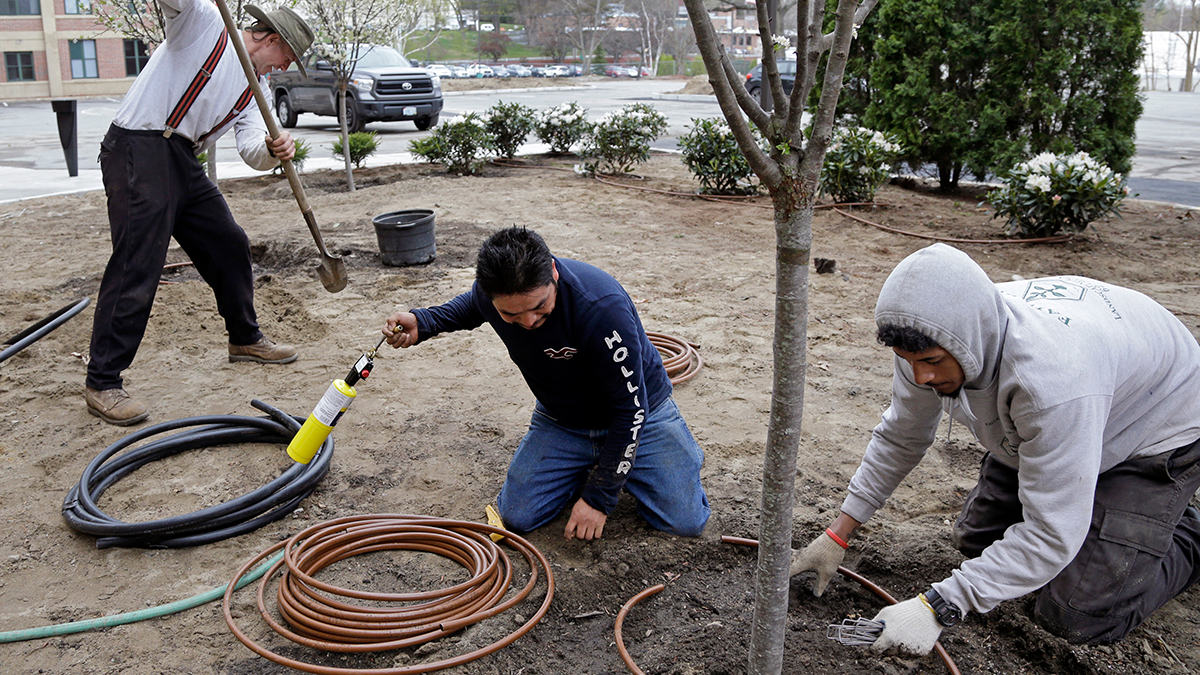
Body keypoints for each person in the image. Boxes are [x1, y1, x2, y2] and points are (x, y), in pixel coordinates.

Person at [792, 243, 1200, 654]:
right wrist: (838, 535)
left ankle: (1183, 531)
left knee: (1075, 615)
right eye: (909, 360)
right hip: (1071, 417)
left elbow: (1052, 534)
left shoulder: (1050, 382)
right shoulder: (926, 339)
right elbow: (902, 435)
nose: (921, 375)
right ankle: (1097, 503)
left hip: (1155, 428)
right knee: (978, 543)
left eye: (932, 361)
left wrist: (939, 606)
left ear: (970, 340)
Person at [382, 227, 710, 541]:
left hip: (641, 414)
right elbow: (469, 307)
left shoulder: (600, 307)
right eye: (512, 315)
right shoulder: (489, 295)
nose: (528, 322)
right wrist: (424, 322)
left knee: (685, 522)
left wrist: (600, 498)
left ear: (553, 272)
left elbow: (631, 409)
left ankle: (673, 454)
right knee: (519, 516)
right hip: (563, 420)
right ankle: (588, 463)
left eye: (539, 307)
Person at [85, 1, 314, 426]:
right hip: (139, 145)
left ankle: (244, 339)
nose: (283, 68)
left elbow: (250, 148)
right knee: (139, 259)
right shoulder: (205, 22)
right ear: (272, 39)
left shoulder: (255, 88)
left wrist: (271, 149)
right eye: (287, 59)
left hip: (182, 158)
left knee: (228, 243)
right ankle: (103, 381)